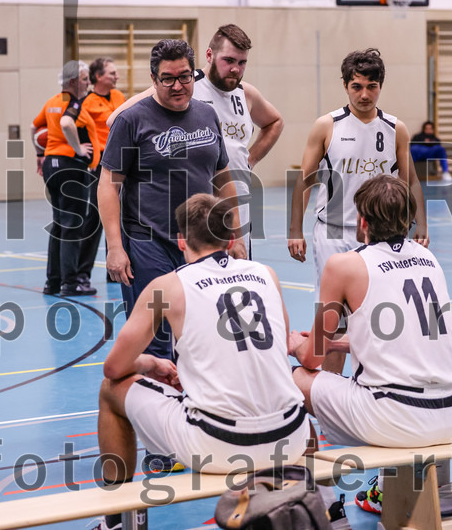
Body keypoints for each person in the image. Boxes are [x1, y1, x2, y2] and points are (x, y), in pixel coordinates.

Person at [92, 194, 307, 530]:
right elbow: (277, 349)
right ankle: (319, 509)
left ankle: (116, 521)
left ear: (181, 241)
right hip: (291, 437)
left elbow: (113, 368)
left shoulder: (167, 286)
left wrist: (151, 364)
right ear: (231, 239)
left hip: (217, 444)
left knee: (110, 390)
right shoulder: (266, 273)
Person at [290, 175, 452, 516]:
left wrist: (296, 344)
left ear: (362, 221)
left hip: (395, 417)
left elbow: (312, 358)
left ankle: (326, 508)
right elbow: (398, 335)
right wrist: (340, 345)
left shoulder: (345, 265)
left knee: (293, 382)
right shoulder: (428, 258)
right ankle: (443, 493)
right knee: (415, 378)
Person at [99, 38, 243, 358]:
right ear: (154, 79)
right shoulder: (132, 120)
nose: (178, 86)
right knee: (155, 339)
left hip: (201, 243)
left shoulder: (207, 115)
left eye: (184, 76)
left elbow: (223, 179)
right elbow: (108, 185)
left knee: (200, 334)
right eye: (168, 79)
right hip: (148, 242)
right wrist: (115, 247)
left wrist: (236, 234)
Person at [110, 24, 284, 253]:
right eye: (229, 60)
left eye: (242, 63)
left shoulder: (245, 93)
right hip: (199, 203)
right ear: (209, 55)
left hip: (236, 200)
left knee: (238, 270)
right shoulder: (183, 85)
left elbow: (275, 122)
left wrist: (250, 161)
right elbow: (116, 119)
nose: (235, 69)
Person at [288, 48, 428, 299]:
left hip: (380, 232)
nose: (364, 94)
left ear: (381, 86)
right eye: (357, 87)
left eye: (372, 86)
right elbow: (304, 181)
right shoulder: (326, 126)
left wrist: (421, 225)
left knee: (378, 303)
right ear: (345, 86)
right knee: (333, 306)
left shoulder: (396, 128)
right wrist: (295, 230)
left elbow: (411, 181)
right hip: (333, 231)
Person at [32, 60, 99, 296]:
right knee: (73, 226)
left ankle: (53, 282)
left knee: (60, 225)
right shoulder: (73, 103)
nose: (88, 84)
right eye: (84, 79)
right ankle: (71, 283)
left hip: (52, 165)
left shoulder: (52, 101)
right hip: (71, 168)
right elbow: (66, 123)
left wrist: (39, 154)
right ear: (72, 81)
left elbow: (34, 128)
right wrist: (78, 148)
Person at [76, 57, 126, 285]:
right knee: (95, 218)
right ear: (98, 77)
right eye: (112, 73)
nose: (117, 77)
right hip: (100, 165)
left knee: (119, 216)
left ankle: (114, 271)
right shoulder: (86, 102)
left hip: (122, 163)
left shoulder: (119, 96)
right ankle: (81, 272)